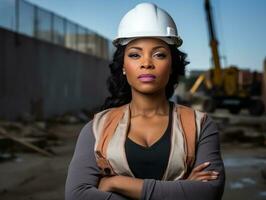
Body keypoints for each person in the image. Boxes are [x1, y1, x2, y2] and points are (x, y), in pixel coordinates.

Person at [65, 2, 225, 200]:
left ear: (172, 65)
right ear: (123, 65)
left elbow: (208, 193)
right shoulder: (97, 128)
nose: (147, 63)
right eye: (135, 54)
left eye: (159, 54)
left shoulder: (200, 125)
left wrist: (116, 183)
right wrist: (182, 189)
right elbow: (77, 195)